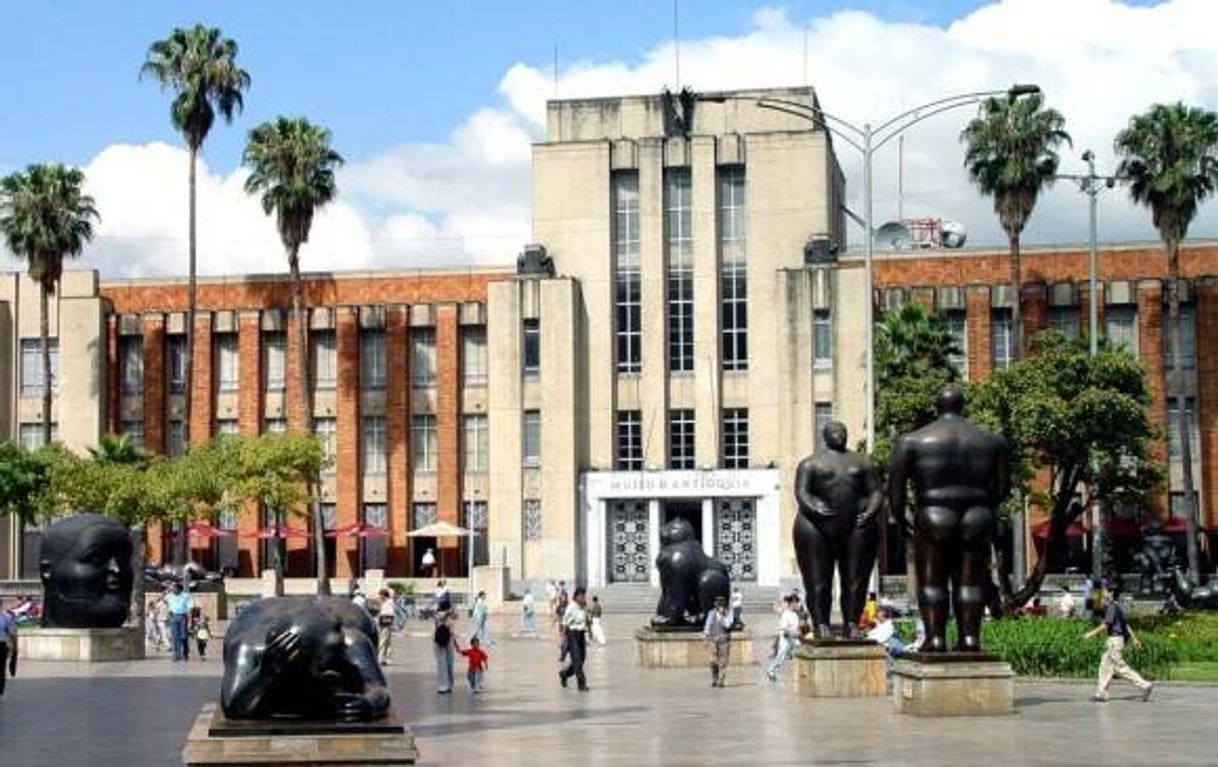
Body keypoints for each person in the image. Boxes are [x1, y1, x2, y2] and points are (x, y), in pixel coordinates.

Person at [1084, 583, 1153, 702]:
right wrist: (1135, 639)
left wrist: (1091, 634)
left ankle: (1145, 685)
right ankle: (1101, 693)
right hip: (1115, 640)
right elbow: (1126, 625)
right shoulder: (1117, 607)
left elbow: (1105, 625)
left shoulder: (1112, 607)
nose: (1102, 593)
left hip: (1114, 641)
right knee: (1104, 666)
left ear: (1111, 593)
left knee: (1120, 668)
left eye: (1105, 591)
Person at [558, 587, 590, 691]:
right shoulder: (571, 607)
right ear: (576, 597)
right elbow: (564, 623)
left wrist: (590, 632)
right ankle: (582, 684)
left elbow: (586, 620)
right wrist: (563, 639)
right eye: (581, 596)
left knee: (582, 659)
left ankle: (565, 674)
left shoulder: (583, 607)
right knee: (577, 660)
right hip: (572, 635)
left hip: (581, 635)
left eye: (584, 596)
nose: (583, 598)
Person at [765, 595, 801, 682]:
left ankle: (800, 672)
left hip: (794, 639)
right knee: (781, 656)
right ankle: (771, 671)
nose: (797, 605)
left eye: (797, 603)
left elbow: (797, 627)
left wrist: (799, 632)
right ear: (791, 603)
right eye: (795, 603)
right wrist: (792, 633)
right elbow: (783, 629)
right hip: (786, 639)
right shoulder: (786, 614)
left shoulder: (795, 614)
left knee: (800, 650)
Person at [703, 595, 734, 688]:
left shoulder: (729, 613)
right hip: (713, 639)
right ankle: (714, 678)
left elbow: (728, 625)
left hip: (724, 640)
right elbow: (707, 625)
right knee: (713, 661)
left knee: (723, 661)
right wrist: (705, 637)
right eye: (717, 603)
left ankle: (721, 680)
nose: (719, 605)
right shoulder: (711, 613)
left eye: (721, 603)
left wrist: (722, 615)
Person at [433, 597, 457, 694]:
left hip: (449, 640)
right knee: (441, 663)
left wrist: (453, 611)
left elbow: (456, 616)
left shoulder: (451, 616)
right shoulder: (438, 614)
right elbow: (440, 617)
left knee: (450, 663)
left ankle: (450, 684)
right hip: (439, 640)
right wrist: (448, 612)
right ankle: (443, 686)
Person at [165, 582, 193, 662]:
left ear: (179, 589)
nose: (173, 590)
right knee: (174, 637)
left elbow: (190, 608)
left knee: (183, 636)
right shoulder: (169, 596)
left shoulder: (186, 596)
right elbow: (165, 603)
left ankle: (185, 653)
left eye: (175, 588)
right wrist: (168, 617)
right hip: (173, 617)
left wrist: (190, 621)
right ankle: (176, 654)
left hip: (183, 617)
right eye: (172, 588)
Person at [0, 605, 18, 697]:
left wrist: (14, 647)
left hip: (2, 645)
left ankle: (0, 691)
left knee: (1, 669)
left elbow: (12, 633)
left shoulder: (6, 617)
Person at [377, 588, 396, 665]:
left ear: (384, 595)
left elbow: (390, 614)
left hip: (385, 624)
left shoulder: (388, 603)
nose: (379, 597)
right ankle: (387, 659)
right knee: (387, 642)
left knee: (382, 641)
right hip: (385, 624)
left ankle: (380, 658)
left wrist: (381, 615)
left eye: (380, 595)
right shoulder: (385, 602)